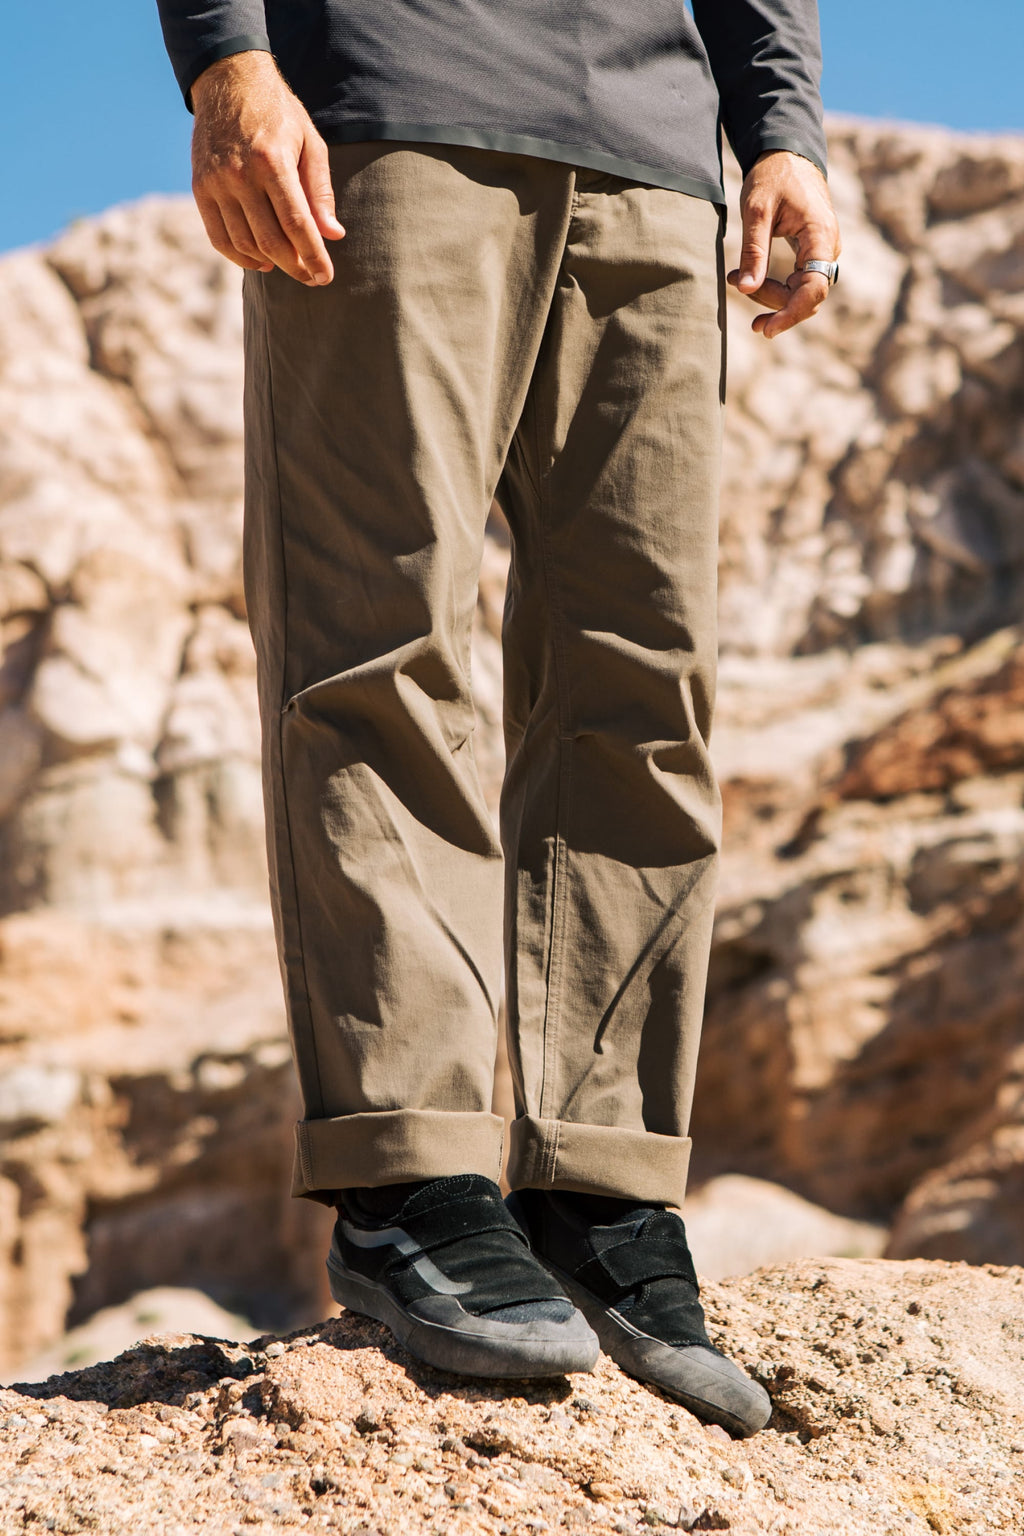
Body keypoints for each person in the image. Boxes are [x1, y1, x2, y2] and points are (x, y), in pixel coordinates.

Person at [156, 0, 840, 1438]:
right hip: (388, 109)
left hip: (657, 160)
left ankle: (602, 1190)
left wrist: (779, 124)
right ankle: (411, 1176)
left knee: (646, 688)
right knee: (381, 654)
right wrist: (230, 59)